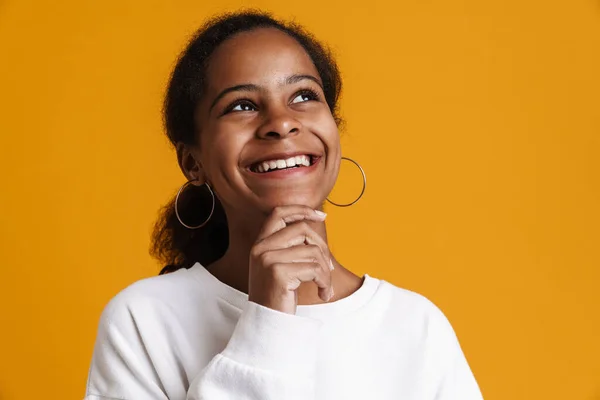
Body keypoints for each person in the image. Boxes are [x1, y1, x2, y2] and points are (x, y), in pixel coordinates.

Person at [84, 10, 483, 400]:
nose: (281, 122)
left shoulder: (415, 326)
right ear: (193, 162)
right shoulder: (142, 321)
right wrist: (267, 322)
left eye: (304, 96)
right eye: (241, 105)